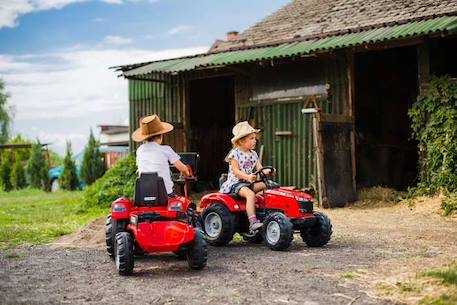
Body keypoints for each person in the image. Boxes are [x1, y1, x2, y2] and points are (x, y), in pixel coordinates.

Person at [219, 121, 270, 232]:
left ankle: (266, 213)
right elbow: (236, 171)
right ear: (241, 141)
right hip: (235, 184)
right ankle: (252, 222)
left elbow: (260, 169)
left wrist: (267, 171)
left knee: (267, 186)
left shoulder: (253, 154)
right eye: (251, 138)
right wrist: (247, 177)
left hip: (247, 183)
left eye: (255, 138)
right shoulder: (234, 154)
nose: (254, 140)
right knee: (250, 194)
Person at [132, 114, 190, 198]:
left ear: (144, 138)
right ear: (161, 135)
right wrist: (187, 173)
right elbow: (182, 168)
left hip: (143, 195)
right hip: (165, 195)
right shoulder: (166, 149)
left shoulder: (140, 150)